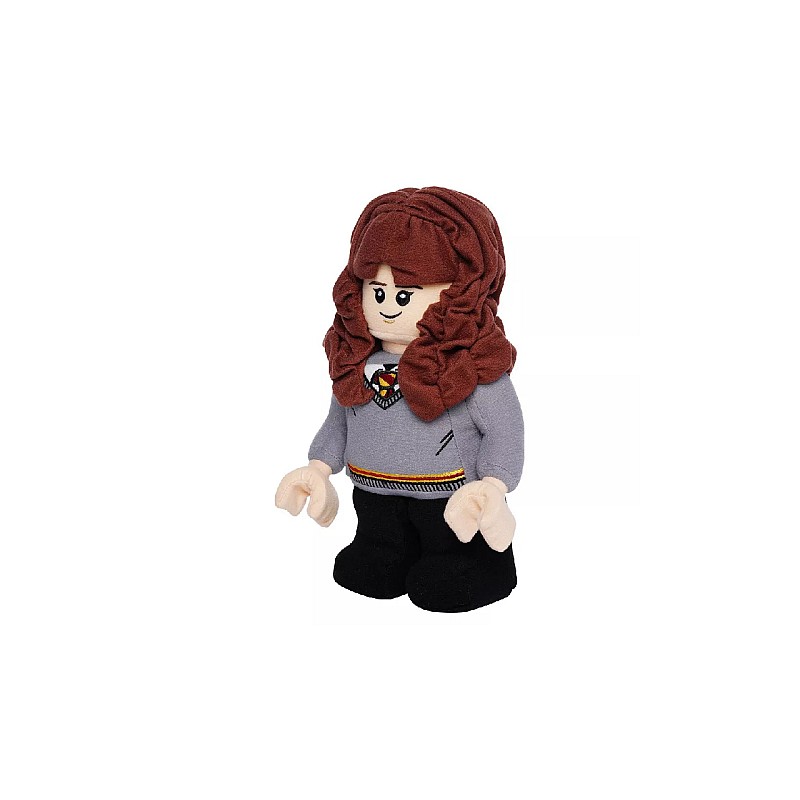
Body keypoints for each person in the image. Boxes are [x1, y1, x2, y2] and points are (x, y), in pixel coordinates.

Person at [275, 187, 524, 612]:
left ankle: (476, 566)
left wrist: (494, 484)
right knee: (376, 551)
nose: (388, 306)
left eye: (405, 294)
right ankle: (385, 554)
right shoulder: (357, 361)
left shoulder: (468, 365)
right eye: (378, 291)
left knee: (453, 550)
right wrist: (318, 467)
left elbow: (505, 429)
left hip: (448, 497)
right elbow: (340, 419)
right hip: (373, 491)